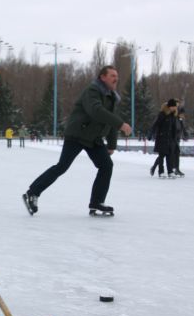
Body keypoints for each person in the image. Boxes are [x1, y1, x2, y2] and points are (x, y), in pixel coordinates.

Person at [22, 65, 132, 216]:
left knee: (106, 165)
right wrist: (121, 124)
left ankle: (97, 202)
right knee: (62, 166)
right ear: (102, 77)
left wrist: (112, 144)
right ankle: (32, 193)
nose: (116, 79)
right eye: (112, 75)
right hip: (78, 134)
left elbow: (109, 121)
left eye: (117, 76)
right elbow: (96, 111)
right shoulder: (92, 91)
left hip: (94, 138)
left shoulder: (112, 97)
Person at [148, 99, 178, 178]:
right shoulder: (162, 114)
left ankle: (170, 172)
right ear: (170, 106)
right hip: (161, 138)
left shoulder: (173, 115)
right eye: (174, 106)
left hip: (170, 139)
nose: (175, 108)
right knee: (161, 156)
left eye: (175, 107)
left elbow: (174, 128)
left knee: (169, 156)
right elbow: (156, 124)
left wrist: (174, 138)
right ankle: (161, 172)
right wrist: (151, 133)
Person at [173, 106, 188, 176]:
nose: (183, 115)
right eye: (182, 113)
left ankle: (176, 168)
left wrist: (185, 134)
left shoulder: (180, 120)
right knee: (165, 155)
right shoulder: (174, 120)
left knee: (177, 154)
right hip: (172, 140)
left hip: (177, 140)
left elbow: (183, 129)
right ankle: (155, 167)